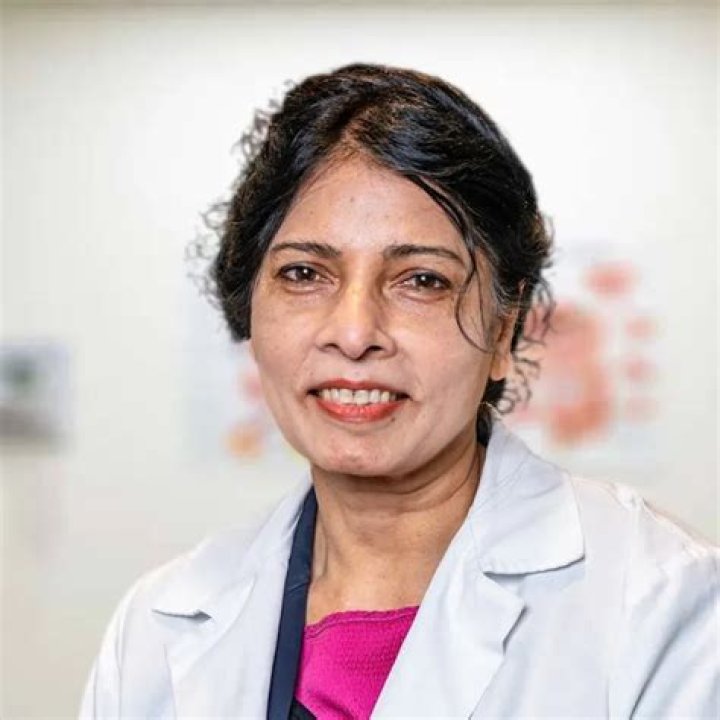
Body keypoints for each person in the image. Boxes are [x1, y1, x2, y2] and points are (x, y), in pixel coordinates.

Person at [80, 63, 718, 719]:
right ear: (250, 307)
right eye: (304, 273)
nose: (355, 333)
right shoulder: (156, 630)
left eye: (422, 280)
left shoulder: (660, 600)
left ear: (504, 329)